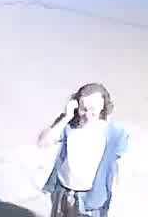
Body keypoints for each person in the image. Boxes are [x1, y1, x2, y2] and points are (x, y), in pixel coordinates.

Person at [36, 82, 129, 217]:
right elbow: (43, 142)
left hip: (91, 198)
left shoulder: (114, 131)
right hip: (64, 191)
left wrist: (115, 194)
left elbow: (118, 164)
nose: (87, 114)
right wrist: (67, 116)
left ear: (103, 107)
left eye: (93, 109)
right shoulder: (69, 125)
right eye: (83, 109)